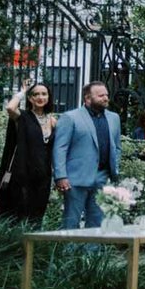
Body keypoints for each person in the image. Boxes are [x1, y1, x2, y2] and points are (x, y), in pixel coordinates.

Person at [51, 80, 121, 229]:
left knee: (97, 222)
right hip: (75, 178)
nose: (105, 98)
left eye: (106, 95)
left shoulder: (114, 118)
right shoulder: (70, 117)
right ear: (88, 98)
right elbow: (60, 148)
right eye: (100, 95)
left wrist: (114, 169)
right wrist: (60, 176)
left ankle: (92, 252)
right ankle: (69, 252)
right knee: (71, 222)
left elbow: (116, 147)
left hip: (103, 176)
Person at [0, 81, 57, 225]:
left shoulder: (53, 121)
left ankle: (32, 246)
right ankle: (16, 245)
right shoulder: (22, 117)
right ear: (30, 98)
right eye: (36, 94)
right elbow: (10, 107)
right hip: (22, 173)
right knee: (18, 213)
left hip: (43, 175)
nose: (40, 97)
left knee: (36, 215)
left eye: (44, 94)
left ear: (48, 97)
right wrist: (22, 92)